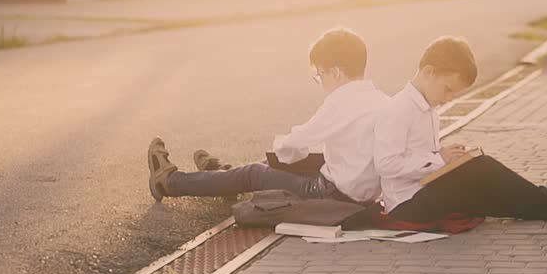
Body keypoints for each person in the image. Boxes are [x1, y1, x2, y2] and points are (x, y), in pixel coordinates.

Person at [374, 35, 547, 229]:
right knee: (483, 169)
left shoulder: (428, 109)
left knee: (497, 190)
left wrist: (444, 155)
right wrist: (439, 159)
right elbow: (386, 164)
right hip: (407, 204)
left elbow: (419, 156)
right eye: (447, 89)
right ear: (429, 72)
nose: (448, 98)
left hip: (426, 192)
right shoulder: (397, 109)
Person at [146, 27, 390, 204]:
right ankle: (221, 176)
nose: (321, 82)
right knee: (266, 167)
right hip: (359, 191)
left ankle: (170, 182)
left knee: (255, 172)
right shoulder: (381, 100)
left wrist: (281, 152)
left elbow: (296, 142)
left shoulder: (340, 102)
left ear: (336, 72)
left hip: (329, 192)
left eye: (321, 75)